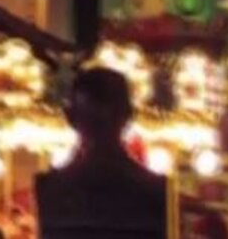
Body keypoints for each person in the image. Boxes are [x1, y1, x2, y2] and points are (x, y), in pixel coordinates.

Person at [36, 67, 167, 238]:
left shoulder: (50, 190)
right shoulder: (157, 190)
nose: (103, 120)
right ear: (129, 116)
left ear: (70, 117)